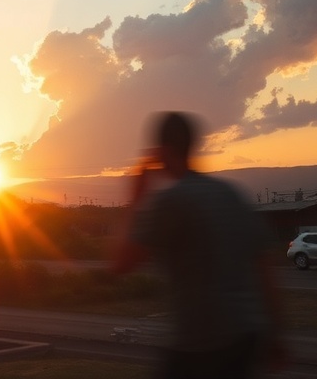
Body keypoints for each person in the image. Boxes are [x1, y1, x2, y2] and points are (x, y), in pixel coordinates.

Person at [112, 112, 285, 379]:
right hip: (244, 338)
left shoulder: (171, 201)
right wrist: (276, 334)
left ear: (163, 151)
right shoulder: (230, 193)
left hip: (197, 346)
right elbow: (264, 267)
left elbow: (121, 264)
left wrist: (136, 196)